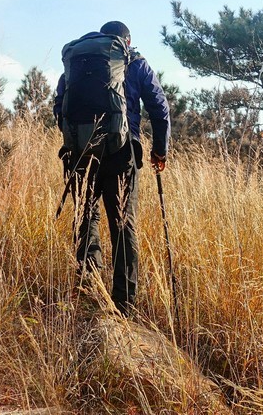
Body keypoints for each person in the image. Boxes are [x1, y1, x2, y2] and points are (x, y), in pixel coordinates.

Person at [53, 21, 171, 316]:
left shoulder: (78, 62)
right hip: (121, 152)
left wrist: (76, 138)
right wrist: (160, 150)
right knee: (122, 223)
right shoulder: (135, 62)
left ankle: (89, 288)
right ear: (127, 41)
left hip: (81, 152)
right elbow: (159, 107)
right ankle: (123, 305)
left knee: (85, 218)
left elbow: (59, 104)